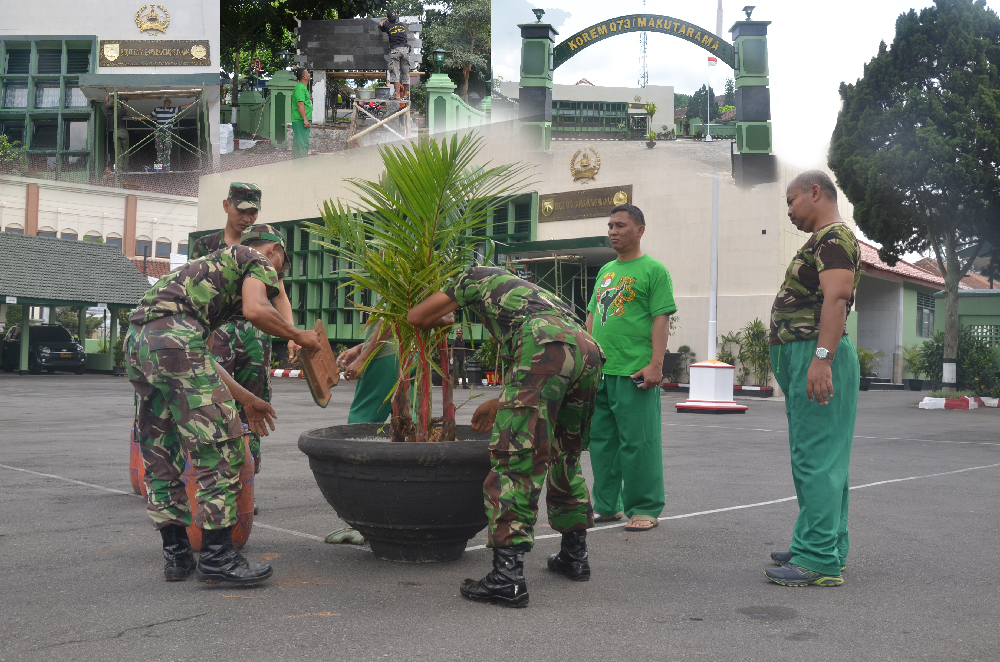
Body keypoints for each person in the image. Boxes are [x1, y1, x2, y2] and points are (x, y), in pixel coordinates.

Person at [126, 223, 322, 584]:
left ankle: (177, 555)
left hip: (139, 342)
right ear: (277, 253)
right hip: (174, 342)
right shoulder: (257, 258)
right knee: (223, 447)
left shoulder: (205, 278)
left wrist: (246, 399)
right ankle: (217, 556)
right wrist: (298, 335)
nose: (274, 278)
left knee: (160, 448)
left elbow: (199, 356)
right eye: (279, 271)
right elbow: (257, 311)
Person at [408, 266, 604, 608]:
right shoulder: (526, 291)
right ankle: (575, 556)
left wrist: (442, 314)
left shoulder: (469, 277)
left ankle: (507, 577)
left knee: (516, 460)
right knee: (564, 453)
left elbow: (418, 317)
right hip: (587, 349)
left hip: (543, 343)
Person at [764, 170, 861, 588]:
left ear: (815, 193)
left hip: (815, 353)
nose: (788, 210)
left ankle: (817, 558)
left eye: (791, 201)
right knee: (820, 457)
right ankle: (822, 544)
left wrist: (821, 358)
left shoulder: (833, 238)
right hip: (808, 353)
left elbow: (837, 297)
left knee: (815, 458)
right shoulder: (826, 240)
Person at [189, 184, 298, 480]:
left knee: (255, 400)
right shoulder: (206, 245)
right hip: (217, 330)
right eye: (242, 210)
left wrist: (290, 334)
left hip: (254, 333)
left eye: (253, 212)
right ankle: (214, 476)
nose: (247, 218)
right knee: (216, 399)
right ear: (227, 206)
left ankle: (248, 479)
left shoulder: (265, 241)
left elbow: (280, 295)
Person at [586, 204, 676, 532]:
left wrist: (656, 364)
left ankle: (645, 507)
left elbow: (661, 319)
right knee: (602, 442)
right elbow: (593, 316)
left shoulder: (654, 270)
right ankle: (608, 506)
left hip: (634, 372)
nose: (613, 231)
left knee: (639, 442)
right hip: (602, 372)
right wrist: (587, 358)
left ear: (640, 230)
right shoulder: (606, 270)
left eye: (621, 225)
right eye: (610, 225)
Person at [149, 98, 192, 172]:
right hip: (158, 132)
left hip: (167, 132)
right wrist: (138, 118)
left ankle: (166, 169)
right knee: (159, 150)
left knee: (167, 149)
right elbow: (149, 116)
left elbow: (183, 106)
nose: (166, 100)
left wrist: (194, 102)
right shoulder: (157, 109)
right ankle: (158, 170)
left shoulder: (173, 109)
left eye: (168, 99)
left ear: (170, 102)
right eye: (165, 99)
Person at [379, 11, 410, 100]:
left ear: (388, 19)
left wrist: (383, 21)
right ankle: (404, 95)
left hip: (395, 50)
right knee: (405, 73)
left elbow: (380, 26)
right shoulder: (402, 25)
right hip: (405, 50)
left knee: (395, 73)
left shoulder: (388, 26)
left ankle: (397, 95)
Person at [103, 89, 132, 173]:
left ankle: (120, 168)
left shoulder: (108, 112)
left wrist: (107, 92)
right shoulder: (119, 111)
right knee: (125, 150)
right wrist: (122, 106)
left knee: (118, 152)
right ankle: (126, 166)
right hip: (123, 131)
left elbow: (107, 102)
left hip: (116, 133)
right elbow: (128, 114)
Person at [291, 68, 312, 157]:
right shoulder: (300, 88)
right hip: (301, 120)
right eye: (308, 73)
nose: (310, 74)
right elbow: (300, 104)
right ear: (303, 76)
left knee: (299, 144)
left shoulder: (302, 88)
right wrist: (305, 119)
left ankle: (297, 167)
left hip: (301, 120)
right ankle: (302, 167)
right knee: (302, 144)